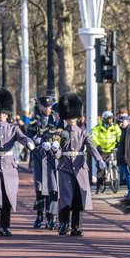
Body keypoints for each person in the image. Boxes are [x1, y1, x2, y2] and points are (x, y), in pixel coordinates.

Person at [0, 88, 35, 236]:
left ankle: (4, 226)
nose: (1, 116)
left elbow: (22, 137)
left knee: (6, 196)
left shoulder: (13, 128)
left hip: (9, 166)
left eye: (4, 113)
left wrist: (29, 143)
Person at [52, 93, 105, 236]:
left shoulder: (83, 132)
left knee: (78, 197)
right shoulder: (60, 132)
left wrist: (99, 160)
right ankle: (63, 224)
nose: (71, 120)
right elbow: (57, 155)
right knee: (65, 197)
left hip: (80, 167)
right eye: (69, 117)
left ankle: (76, 226)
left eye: (73, 117)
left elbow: (91, 146)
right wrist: (55, 148)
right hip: (64, 167)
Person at [26, 95, 58, 229]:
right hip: (39, 157)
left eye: (50, 106)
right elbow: (27, 136)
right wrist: (35, 140)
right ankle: (39, 215)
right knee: (39, 188)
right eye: (45, 106)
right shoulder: (34, 120)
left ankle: (51, 216)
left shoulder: (56, 120)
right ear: (40, 107)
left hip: (52, 157)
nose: (47, 109)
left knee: (53, 188)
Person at [91, 111, 121, 193]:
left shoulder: (115, 127)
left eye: (111, 118)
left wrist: (119, 142)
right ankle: (99, 186)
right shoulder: (98, 127)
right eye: (109, 118)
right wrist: (97, 145)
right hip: (102, 151)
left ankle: (114, 180)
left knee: (114, 163)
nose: (111, 120)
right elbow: (93, 136)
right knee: (101, 169)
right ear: (104, 119)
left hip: (112, 150)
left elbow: (119, 135)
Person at [117, 116, 130, 198]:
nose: (120, 124)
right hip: (123, 156)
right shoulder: (124, 130)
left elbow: (128, 145)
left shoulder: (128, 130)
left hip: (126, 157)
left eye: (122, 122)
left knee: (128, 175)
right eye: (120, 122)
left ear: (128, 121)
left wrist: (126, 156)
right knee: (127, 175)